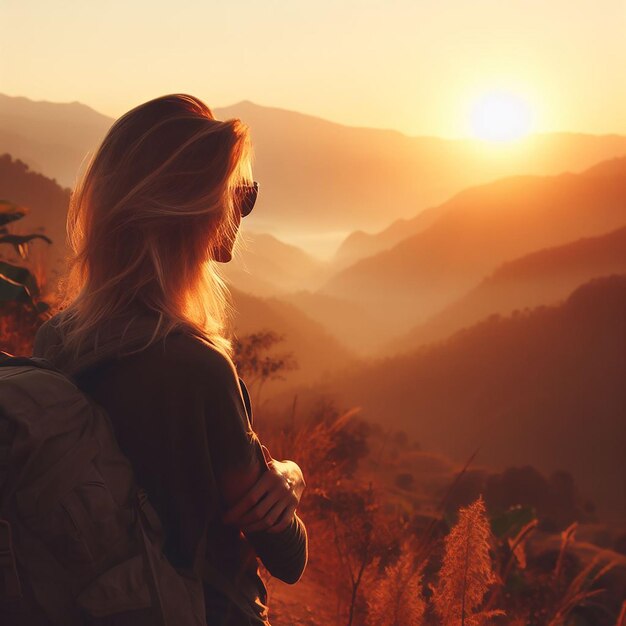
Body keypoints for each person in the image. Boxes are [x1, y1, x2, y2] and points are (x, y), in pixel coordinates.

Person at [31, 93, 308, 626]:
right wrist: (291, 476)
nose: (241, 211)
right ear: (198, 212)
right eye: (239, 196)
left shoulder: (57, 341)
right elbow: (287, 557)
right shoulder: (200, 371)